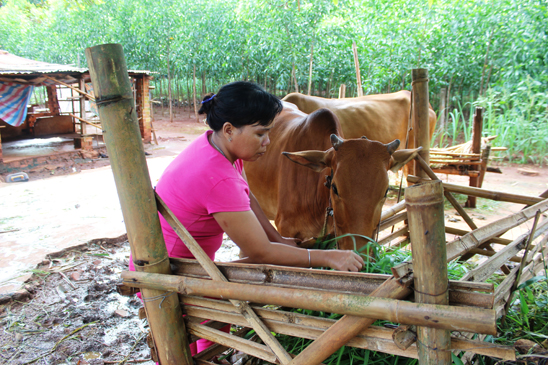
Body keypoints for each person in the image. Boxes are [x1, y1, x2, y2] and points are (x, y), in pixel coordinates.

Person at [131, 81, 364, 355]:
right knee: (181, 342)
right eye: (260, 134)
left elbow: (246, 196)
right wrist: (328, 257)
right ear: (229, 129)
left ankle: (212, 356)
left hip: (194, 262)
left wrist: (279, 239)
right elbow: (260, 251)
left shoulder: (219, 147)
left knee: (214, 325)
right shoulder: (217, 177)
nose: (267, 142)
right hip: (168, 271)